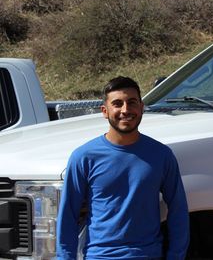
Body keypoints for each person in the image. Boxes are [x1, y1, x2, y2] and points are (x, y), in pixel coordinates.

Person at [57, 76, 189, 260]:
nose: (125, 110)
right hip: (100, 256)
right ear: (105, 111)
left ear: (142, 107)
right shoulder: (84, 157)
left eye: (132, 102)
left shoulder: (161, 155)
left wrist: (176, 256)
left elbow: (178, 210)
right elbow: (68, 215)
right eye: (117, 104)